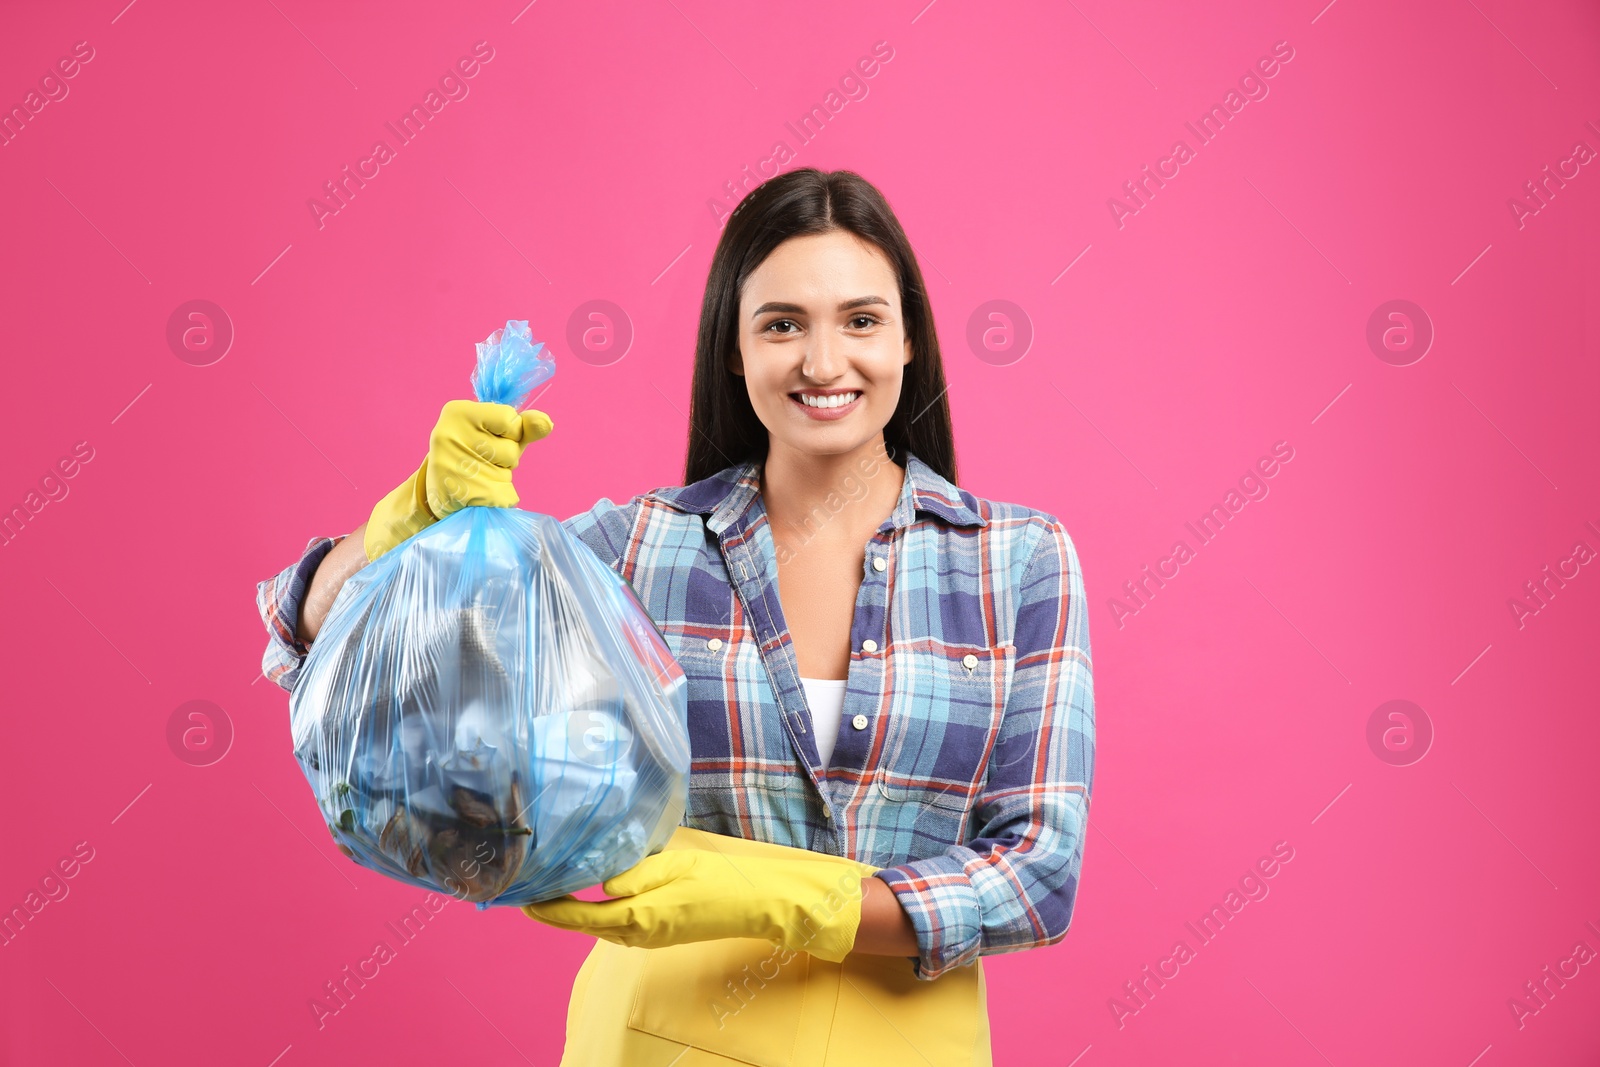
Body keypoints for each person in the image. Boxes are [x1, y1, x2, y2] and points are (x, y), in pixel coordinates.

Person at [255, 167, 1095, 1066]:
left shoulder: (1019, 561)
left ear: (909, 341)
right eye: (781, 324)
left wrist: (783, 898)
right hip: (658, 1043)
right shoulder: (636, 552)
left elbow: (1039, 877)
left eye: (861, 320)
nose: (822, 362)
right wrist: (410, 521)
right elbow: (338, 654)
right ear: (734, 349)